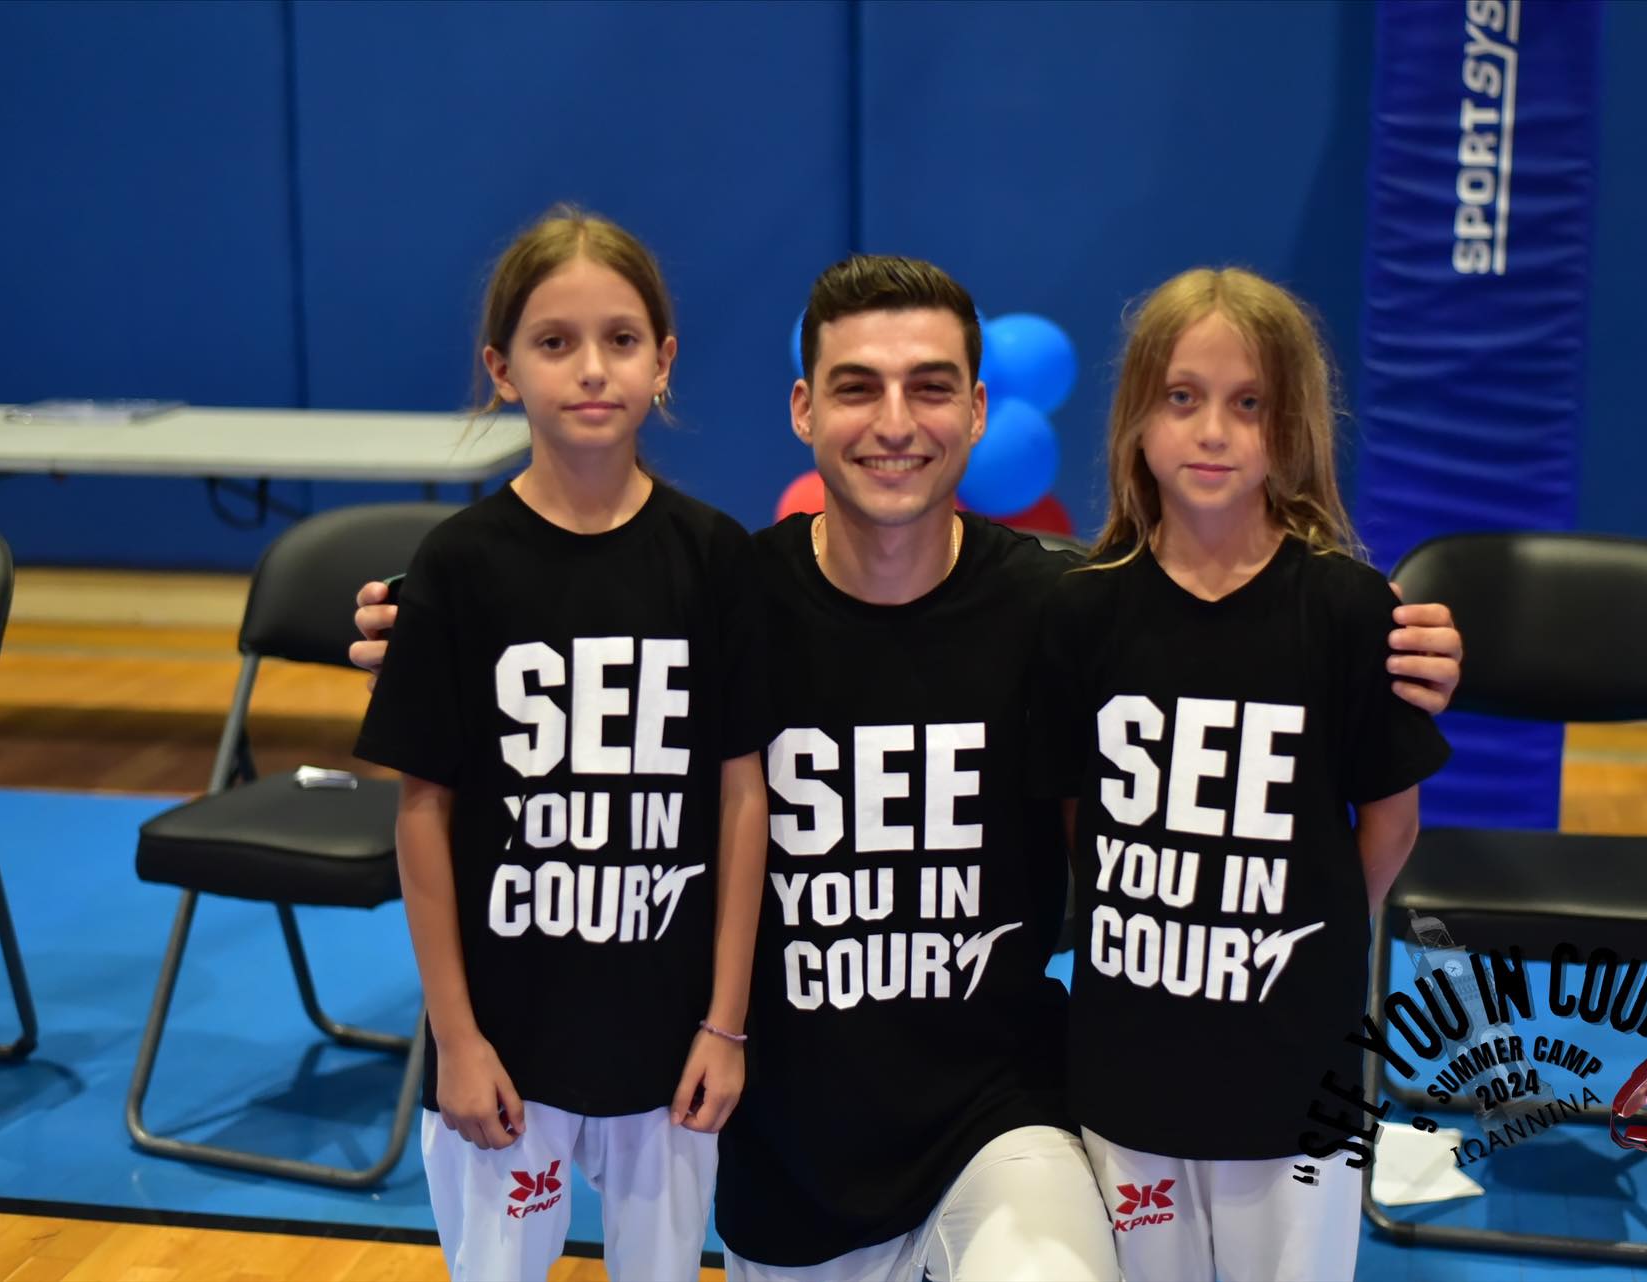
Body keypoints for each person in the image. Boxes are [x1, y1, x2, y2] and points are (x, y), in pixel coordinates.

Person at [351, 253, 1465, 1282]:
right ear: (803, 409)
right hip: (791, 1151)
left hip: (1000, 1118)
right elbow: (562, 612)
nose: (895, 424)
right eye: (857, 389)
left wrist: (1400, 650)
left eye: (930, 388)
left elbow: (1227, 642)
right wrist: (420, 627)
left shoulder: (1061, 608)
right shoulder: (726, 595)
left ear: (977, 410)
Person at [353, 207, 770, 1282]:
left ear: (663, 360)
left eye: (620, 339)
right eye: (554, 341)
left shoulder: (715, 558)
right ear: (501, 369)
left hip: (670, 1038)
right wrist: (456, 1037)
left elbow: (742, 799)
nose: (591, 368)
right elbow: (423, 813)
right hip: (508, 1040)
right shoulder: (458, 567)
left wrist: (726, 1024)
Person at [1027, 266, 1452, 1282]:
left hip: (1293, 1064)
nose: (1213, 431)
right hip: (1131, 1056)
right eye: (1183, 397)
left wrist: (1308, 932)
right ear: (1138, 419)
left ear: (1290, 424)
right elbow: (1080, 819)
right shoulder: (1084, 612)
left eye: (1248, 403)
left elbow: (1389, 825)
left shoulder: (1351, 612)